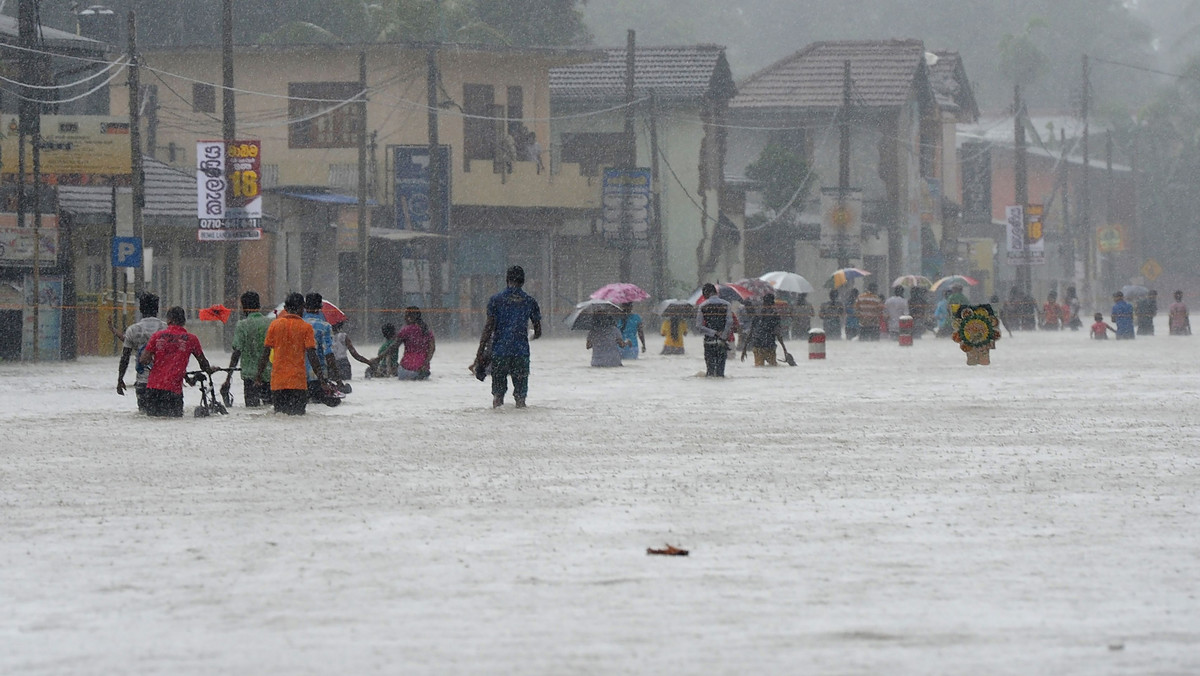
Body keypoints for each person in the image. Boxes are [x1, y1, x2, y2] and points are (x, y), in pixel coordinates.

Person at [476, 265, 542, 408]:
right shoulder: (530, 301)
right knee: (521, 398)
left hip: (500, 353)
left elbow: (488, 328)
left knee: (498, 396)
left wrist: (480, 352)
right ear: (523, 281)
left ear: (507, 280)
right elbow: (538, 332)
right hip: (521, 353)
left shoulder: (495, 300)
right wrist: (529, 336)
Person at [138, 306, 216, 417]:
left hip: (153, 389)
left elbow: (143, 360)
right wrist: (210, 370)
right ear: (183, 321)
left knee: (153, 424)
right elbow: (204, 365)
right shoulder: (191, 339)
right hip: (173, 391)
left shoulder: (157, 336)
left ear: (169, 320)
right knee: (174, 423)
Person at [256, 292, 325, 415]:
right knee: (298, 418)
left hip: (278, 382)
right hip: (298, 383)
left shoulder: (274, 325)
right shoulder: (306, 328)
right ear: (302, 308)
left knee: (280, 417)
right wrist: (321, 379)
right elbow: (312, 355)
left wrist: (258, 376)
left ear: (285, 308)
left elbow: (265, 353)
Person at [116, 292, 167, 413]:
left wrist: (120, 379)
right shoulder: (166, 329)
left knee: (145, 418)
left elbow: (125, 358)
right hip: (165, 383)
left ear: (140, 309)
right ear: (157, 309)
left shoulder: (133, 330)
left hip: (143, 383)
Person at [224, 290, 273, 407]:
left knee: (252, 412)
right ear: (259, 305)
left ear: (244, 308)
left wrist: (228, 378)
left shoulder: (242, 325)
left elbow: (237, 353)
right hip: (270, 376)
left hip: (250, 379)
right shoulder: (270, 323)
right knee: (271, 412)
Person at [303, 293, 342, 400]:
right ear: (320, 307)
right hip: (318, 377)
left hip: (298, 377)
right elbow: (329, 354)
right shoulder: (325, 327)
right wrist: (338, 380)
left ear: (305, 306)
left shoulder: (297, 325)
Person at [696, 283, 734, 377]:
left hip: (709, 342)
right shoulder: (727, 304)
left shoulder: (703, 306)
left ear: (706, 293)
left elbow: (699, 326)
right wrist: (723, 335)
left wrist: (713, 333)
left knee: (710, 372)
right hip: (722, 343)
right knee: (721, 373)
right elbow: (729, 322)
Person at [741, 293, 787, 366]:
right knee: (772, 367)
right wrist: (785, 350)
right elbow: (777, 333)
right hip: (769, 345)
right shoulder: (775, 315)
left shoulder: (757, 314)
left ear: (763, 302)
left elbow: (751, 332)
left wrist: (744, 349)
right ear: (773, 303)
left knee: (759, 367)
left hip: (757, 345)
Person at [393, 307, 436, 380]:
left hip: (405, 369)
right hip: (422, 371)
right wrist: (425, 364)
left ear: (411, 317)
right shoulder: (428, 332)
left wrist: (379, 358)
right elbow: (432, 349)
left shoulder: (405, 331)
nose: (404, 318)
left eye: (406, 316)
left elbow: (394, 346)